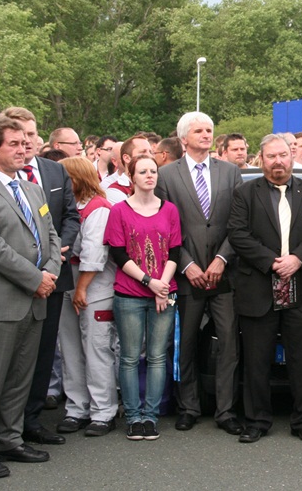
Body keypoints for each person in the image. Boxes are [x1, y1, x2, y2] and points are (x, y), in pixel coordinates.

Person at [0, 116, 61, 478]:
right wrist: (35, 278)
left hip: (37, 295)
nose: (24, 149)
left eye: (26, 143)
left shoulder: (32, 188)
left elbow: (49, 234)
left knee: (21, 375)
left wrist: (48, 272)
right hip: (1, 297)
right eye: (15, 144)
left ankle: (9, 438)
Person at [228, 134, 302, 444]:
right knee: (257, 361)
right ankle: (257, 421)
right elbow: (237, 234)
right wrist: (272, 262)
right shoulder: (245, 193)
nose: (278, 162)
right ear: (262, 159)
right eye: (271, 157)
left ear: (291, 156)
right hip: (259, 286)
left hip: (301, 285)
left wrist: (298, 259)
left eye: (283, 155)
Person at [156, 112, 244, 435]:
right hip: (186, 273)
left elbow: (238, 223)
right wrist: (187, 264)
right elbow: (164, 228)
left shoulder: (231, 172)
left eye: (209, 130)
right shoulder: (166, 175)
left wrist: (222, 258)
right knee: (186, 343)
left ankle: (226, 410)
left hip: (224, 274)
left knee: (229, 344)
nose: (207, 135)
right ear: (184, 137)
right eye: (199, 130)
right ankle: (189, 406)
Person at [0, 107, 80, 447]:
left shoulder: (53, 172)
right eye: (21, 137)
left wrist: (57, 251)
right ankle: (4, 425)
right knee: (8, 356)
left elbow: (71, 217)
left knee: (44, 353)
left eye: (33, 135)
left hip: (53, 275)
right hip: (11, 282)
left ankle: (31, 420)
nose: (28, 142)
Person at [104, 155, 181, 440]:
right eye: (143, 171)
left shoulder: (170, 210)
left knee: (159, 356)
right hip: (130, 293)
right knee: (130, 356)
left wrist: (163, 285)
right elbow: (118, 253)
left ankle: (151, 415)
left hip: (164, 292)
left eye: (153, 171)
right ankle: (133, 416)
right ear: (131, 176)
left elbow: (175, 251)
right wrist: (150, 282)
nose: (149, 175)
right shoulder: (119, 211)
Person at [55, 157, 118, 437]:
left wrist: (81, 288)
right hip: (69, 280)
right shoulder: (72, 207)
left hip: (95, 286)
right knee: (70, 348)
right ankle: (77, 407)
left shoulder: (99, 207)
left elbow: (96, 254)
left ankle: (103, 411)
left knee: (96, 348)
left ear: (76, 179)